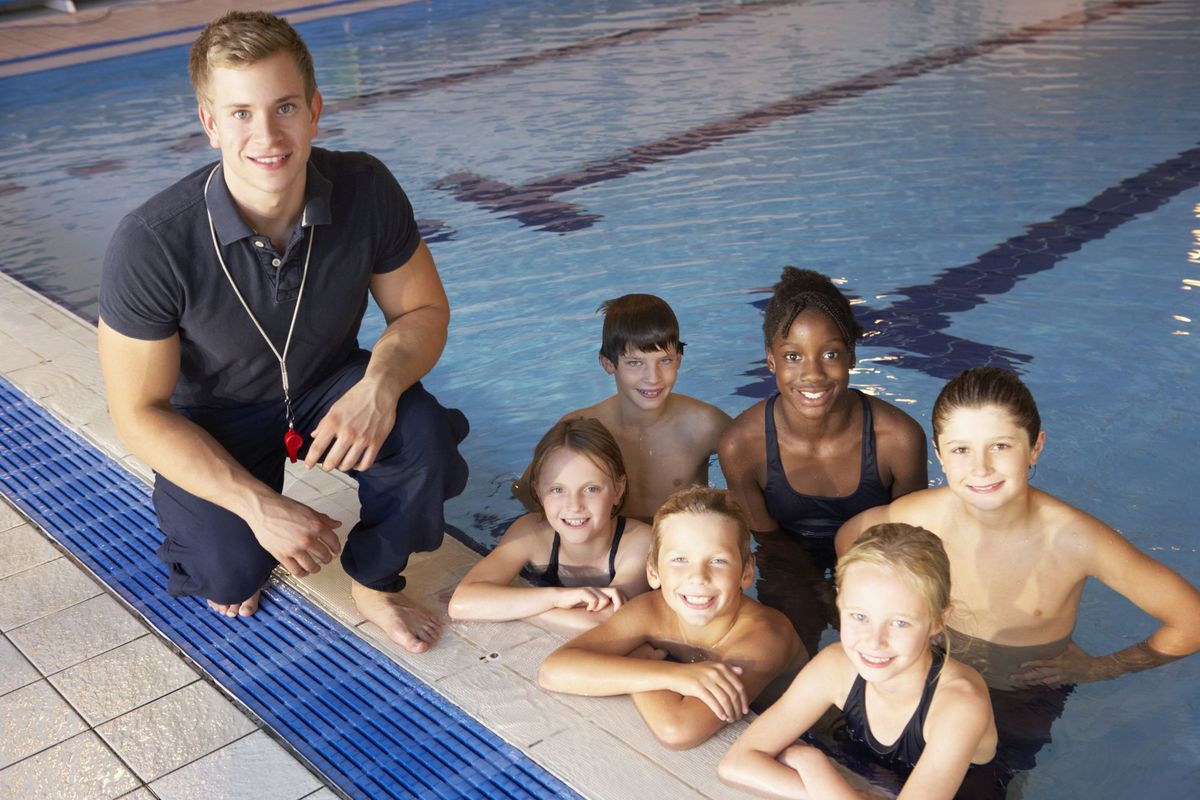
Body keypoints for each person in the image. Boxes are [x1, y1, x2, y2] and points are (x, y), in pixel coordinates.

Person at [97, 11, 468, 654]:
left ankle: (374, 580)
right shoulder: (152, 241)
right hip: (216, 417)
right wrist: (254, 506)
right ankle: (234, 532)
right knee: (230, 574)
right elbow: (137, 414)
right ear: (210, 123)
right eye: (240, 113)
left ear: (315, 108)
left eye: (285, 106)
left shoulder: (364, 188)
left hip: (327, 384)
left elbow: (423, 313)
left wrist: (379, 385)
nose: (266, 135)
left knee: (423, 435)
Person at [836, 367, 1200, 781]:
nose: (981, 468)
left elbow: (1191, 621)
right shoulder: (920, 516)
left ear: (1035, 447)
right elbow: (850, 537)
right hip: (923, 672)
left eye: (1001, 446)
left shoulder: (1074, 540)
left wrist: (1103, 668)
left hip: (1019, 698)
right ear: (938, 453)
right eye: (960, 450)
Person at [718, 267, 927, 652]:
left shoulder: (897, 439)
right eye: (792, 356)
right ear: (770, 361)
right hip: (786, 557)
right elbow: (768, 541)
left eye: (830, 354)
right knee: (789, 643)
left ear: (851, 356)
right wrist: (821, 592)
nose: (812, 374)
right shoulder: (742, 445)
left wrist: (853, 594)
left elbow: (909, 540)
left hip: (876, 555)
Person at [720, 523, 998, 800]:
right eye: (860, 616)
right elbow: (736, 764)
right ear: (839, 601)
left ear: (939, 620)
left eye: (900, 622)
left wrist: (812, 765)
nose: (874, 641)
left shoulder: (959, 706)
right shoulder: (836, 667)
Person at [538, 486, 805, 750]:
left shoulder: (766, 637)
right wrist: (672, 676)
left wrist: (637, 659)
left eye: (718, 561)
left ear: (746, 572)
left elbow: (678, 730)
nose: (698, 576)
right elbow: (553, 671)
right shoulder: (651, 611)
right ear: (653, 572)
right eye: (679, 559)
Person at [514, 294, 731, 522]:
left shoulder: (704, 425)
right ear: (608, 364)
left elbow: (756, 465)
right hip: (611, 547)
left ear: (678, 360)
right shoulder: (581, 428)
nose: (653, 378)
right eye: (634, 363)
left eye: (664, 361)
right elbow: (528, 492)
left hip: (681, 547)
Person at [449, 418, 652, 634]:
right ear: (537, 491)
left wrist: (517, 606)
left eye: (591, 489)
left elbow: (601, 624)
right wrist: (557, 597)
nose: (574, 506)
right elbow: (461, 603)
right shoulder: (531, 533)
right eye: (557, 490)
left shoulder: (640, 541)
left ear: (618, 490)